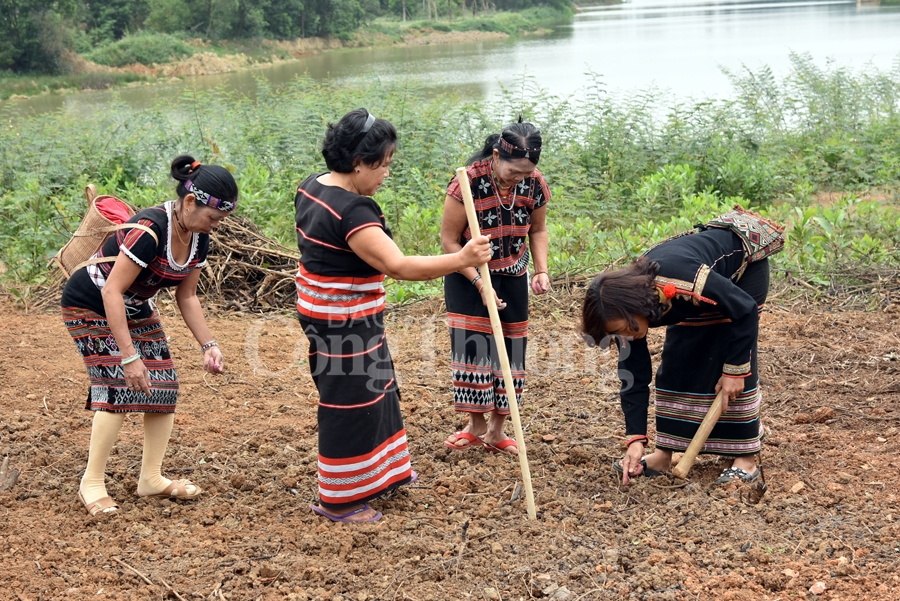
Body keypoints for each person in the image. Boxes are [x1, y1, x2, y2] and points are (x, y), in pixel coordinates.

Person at [295, 108, 492, 523]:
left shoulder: (312, 186)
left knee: (379, 392)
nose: (387, 173)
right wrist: (462, 258)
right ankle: (340, 500)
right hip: (343, 324)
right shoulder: (353, 212)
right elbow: (399, 266)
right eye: (382, 164)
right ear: (357, 162)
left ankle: (384, 475)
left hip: (331, 315)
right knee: (350, 405)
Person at [62, 155, 236, 516]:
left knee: (163, 385)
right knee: (118, 384)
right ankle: (91, 482)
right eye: (213, 217)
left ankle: (151, 479)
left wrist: (209, 345)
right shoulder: (150, 230)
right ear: (190, 202)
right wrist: (129, 357)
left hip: (134, 304)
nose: (215, 225)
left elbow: (187, 296)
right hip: (91, 300)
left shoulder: (199, 238)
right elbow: (111, 291)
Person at [580, 208, 784, 485]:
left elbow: (744, 309)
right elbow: (635, 376)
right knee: (679, 357)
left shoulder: (679, 280)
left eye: (626, 329)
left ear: (634, 307)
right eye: (617, 334)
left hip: (744, 267)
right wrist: (635, 439)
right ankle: (665, 453)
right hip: (695, 292)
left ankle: (745, 458)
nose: (625, 337)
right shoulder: (629, 316)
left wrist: (735, 371)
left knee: (729, 348)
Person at [440, 119, 551, 456]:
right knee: (473, 350)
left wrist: (541, 270)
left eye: (525, 173)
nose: (519, 178)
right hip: (467, 273)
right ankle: (475, 424)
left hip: (513, 272)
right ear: (496, 155)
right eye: (513, 171)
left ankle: (497, 430)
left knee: (511, 351)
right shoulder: (467, 183)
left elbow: (538, 230)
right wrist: (479, 283)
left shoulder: (534, 183)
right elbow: (449, 241)